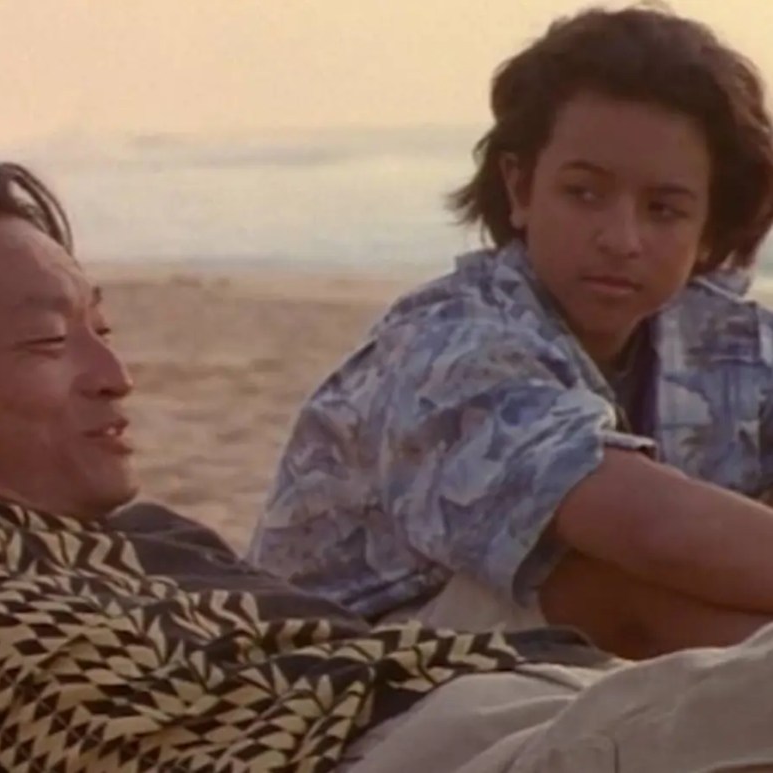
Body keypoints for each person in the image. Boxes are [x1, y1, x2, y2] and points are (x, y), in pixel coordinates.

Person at [0, 159, 773, 770]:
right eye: (44, 342)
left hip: (478, 692)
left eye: (100, 328)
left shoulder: (120, 532)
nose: (116, 377)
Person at [247, 5, 773, 659]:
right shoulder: (448, 346)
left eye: (663, 209)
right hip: (338, 686)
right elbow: (648, 528)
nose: (621, 238)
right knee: (608, 581)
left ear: (712, 227)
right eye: (584, 193)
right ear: (521, 188)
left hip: (528, 680)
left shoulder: (729, 343)